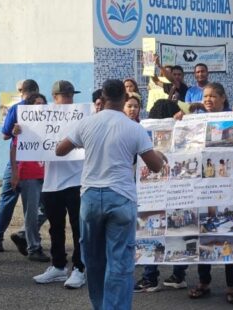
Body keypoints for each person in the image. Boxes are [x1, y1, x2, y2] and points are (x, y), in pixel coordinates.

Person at [56, 79, 165, 309]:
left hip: (90, 198)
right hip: (121, 197)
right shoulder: (134, 128)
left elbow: (60, 150)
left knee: (94, 260)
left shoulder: (86, 123)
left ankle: (100, 305)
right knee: (120, 262)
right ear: (124, 99)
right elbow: (155, 166)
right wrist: (159, 155)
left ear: (102, 98)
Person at [186, 82, 233, 304]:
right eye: (205, 96)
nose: (208, 100)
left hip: (230, 187)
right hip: (205, 187)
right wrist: (179, 120)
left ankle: (232, 286)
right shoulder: (197, 120)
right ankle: (204, 282)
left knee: (231, 235)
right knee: (204, 232)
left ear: (223, 98)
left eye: (212, 96)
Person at [31, 81, 86, 289]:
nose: (70, 99)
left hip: (76, 179)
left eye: (72, 95)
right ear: (55, 97)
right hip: (51, 182)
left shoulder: (81, 117)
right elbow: (30, 141)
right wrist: (21, 131)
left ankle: (79, 268)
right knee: (55, 228)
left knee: (78, 228)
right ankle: (58, 265)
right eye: (66, 95)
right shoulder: (42, 118)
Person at [134, 99, 191, 293]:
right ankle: (179, 275)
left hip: (152, 193)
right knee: (179, 231)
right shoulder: (184, 130)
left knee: (150, 232)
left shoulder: (143, 132)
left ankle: (150, 277)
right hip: (179, 191)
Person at [0, 79, 41, 252]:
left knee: (8, 200)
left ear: (22, 91)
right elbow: (8, 135)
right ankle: (28, 239)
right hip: (31, 162)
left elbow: (5, 135)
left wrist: (14, 133)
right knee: (36, 204)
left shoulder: (16, 108)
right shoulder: (45, 109)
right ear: (37, 90)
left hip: (19, 160)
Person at [7, 93, 51, 263]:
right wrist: (15, 173)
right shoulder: (23, 126)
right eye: (36, 103)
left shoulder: (51, 124)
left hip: (47, 174)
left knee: (47, 209)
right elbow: (13, 149)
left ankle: (23, 234)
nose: (40, 107)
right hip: (29, 174)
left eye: (43, 103)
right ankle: (34, 248)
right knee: (31, 212)